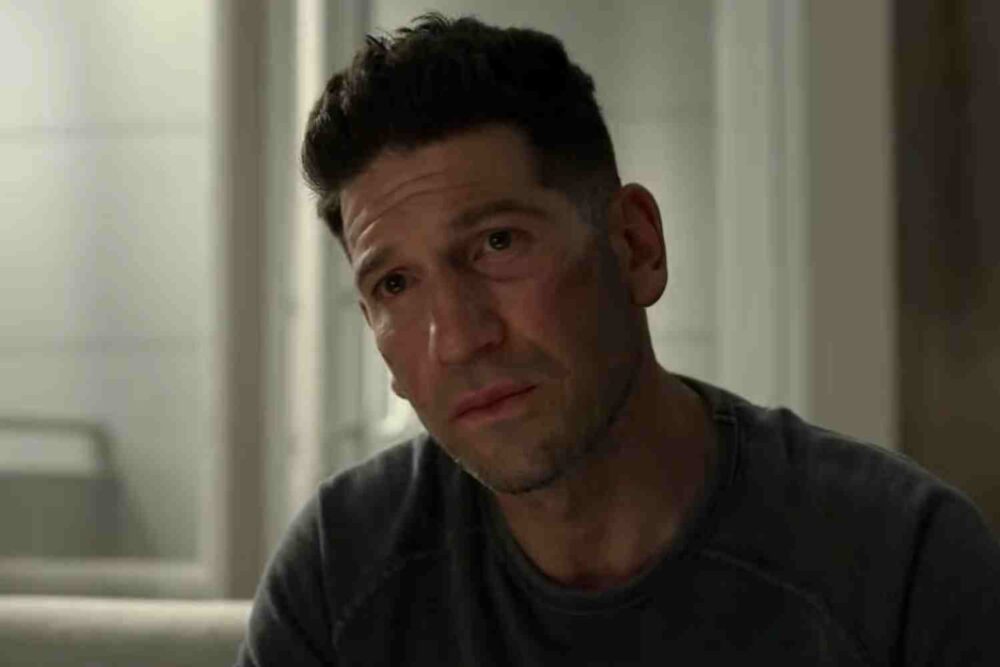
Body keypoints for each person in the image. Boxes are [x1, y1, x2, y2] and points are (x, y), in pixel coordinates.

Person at [236, 13, 1000, 666]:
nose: (458, 338)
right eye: (396, 284)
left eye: (498, 243)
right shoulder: (338, 577)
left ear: (636, 246)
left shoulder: (903, 566)